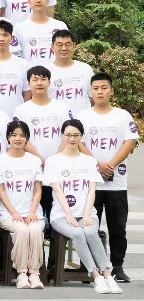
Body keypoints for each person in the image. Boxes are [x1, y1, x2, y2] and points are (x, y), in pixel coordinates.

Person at [46, 119, 121, 294]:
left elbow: (92, 190)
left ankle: (107, 275)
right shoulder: (53, 161)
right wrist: (68, 214)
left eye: (76, 135)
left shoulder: (89, 161)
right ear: (62, 136)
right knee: (78, 233)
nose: (72, 139)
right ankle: (96, 277)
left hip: (87, 213)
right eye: (68, 135)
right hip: (61, 215)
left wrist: (87, 214)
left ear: (81, 136)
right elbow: (57, 189)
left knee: (89, 231)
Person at [78, 73, 138, 283]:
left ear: (112, 91)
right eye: (96, 88)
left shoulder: (122, 116)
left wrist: (110, 165)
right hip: (90, 184)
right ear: (90, 92)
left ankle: (117, 267)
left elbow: (129, 142)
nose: (100, 92)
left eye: (104, 88)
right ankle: (89, 267)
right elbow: (79, 143)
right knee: (88, 227)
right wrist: (97, 164)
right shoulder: (83, 116)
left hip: (117, 183)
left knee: (117, 228)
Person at [0, 120, 45, 289]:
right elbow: (0, 191)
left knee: (35, 231)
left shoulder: (34, 161)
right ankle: (21, 273)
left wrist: (32, 211)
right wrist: (14, 212)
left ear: (27, 138)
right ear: (8, 137)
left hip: (32, 212)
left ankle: (34, 273)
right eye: (14, 135)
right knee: (21, 230)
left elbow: (37, 190)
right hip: (7, 213)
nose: (18, 138)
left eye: (22, 135)